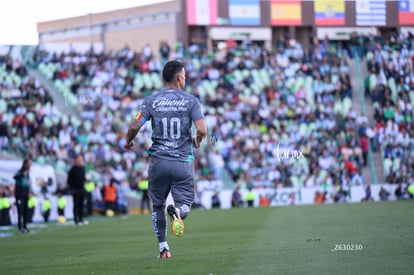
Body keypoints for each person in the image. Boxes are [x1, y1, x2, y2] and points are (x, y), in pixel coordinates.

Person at [124, 59, 207, 259]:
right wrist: (197, 140)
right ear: (179, 78)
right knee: (186, 204)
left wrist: (129, 141)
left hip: (159, 161)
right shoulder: (190, 101)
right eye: (185, 77)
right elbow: (202, 129)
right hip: (182, 162)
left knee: (158, 205)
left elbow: (135, 126)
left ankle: (163, 248)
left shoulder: (150, 101)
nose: (185, 79)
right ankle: (178, 211)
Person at [13, 158, 32, 233]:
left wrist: (29, 193)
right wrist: (22, 174)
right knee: (20, 211)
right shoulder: (20, 171)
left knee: (25, 211)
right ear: (25, 164)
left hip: (25, 194)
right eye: (29, 163)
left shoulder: (28, 173)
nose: (30, 165)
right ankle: (20, 227)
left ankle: (25, 226)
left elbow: (27, 184)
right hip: (19, 194)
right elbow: (15, 177)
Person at [67, 155, 86, 225]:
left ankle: (81, 218)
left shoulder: (82, 168)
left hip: (82, 188)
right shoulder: (72, 169)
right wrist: (71, 189)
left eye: (81, 160)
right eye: (79, 160)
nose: (81, 161)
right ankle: (76, 219)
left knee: (81, 204)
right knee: (76, 205)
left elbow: (83, 178)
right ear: (76, 160)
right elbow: (69, 180)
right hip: (75, 189)